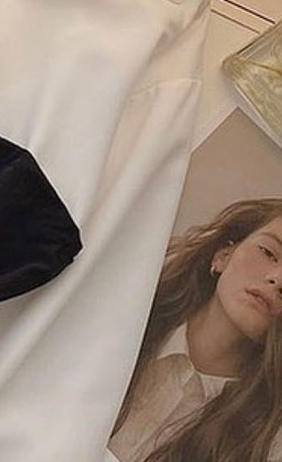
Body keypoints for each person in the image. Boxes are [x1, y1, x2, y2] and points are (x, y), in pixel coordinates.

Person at [109, 198, 282, 462]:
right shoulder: (122, 322)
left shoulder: (268, 437)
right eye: (268, 253)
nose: (277, 279)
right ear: (223, 255)